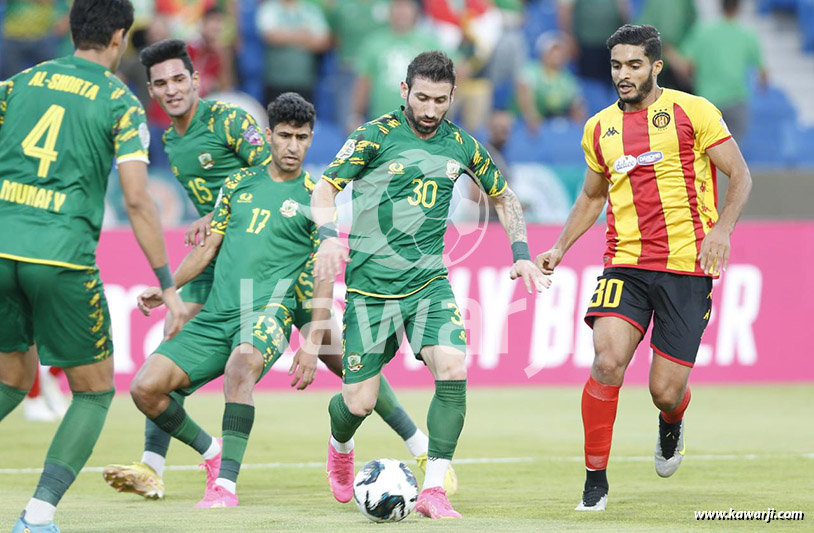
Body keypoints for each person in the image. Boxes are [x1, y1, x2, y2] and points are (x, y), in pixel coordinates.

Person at [312, 50, 549, 519]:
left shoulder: (462, 145)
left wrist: (520, 254)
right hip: (370, 291)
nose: (429, 109)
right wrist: (325, 238)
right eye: (421, 97)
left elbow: (505, 196)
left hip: (428, 285)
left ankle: (434, 489)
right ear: (404, 91)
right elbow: (325, 188)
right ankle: (339, 447)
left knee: (454, 367)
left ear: (453, 97)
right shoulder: (373, 136)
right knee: (357, 402)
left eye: (440, 100)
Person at [534, 24, 752, 512]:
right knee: (607, 360)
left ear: (656, 66)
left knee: (664, 391)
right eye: (616, 65)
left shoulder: (692, 111)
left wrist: (722, 231)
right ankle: (595, 480)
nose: (623, 74)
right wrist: (560, 247)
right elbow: (592, 196)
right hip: (625, 266)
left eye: (634, 65)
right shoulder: (598, 128)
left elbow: (740, 174)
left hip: (686, 269)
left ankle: (672, 420)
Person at [0, 1, 189, 531]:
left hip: (2, 249)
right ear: (120, 38)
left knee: (13, 380)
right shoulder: (119, 103)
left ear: (70, 30)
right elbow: (136, 201)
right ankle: (37, 517)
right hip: (59, 257)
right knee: (94, 389)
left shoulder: (17, 84)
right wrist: (168, 284)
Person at [673, 0, 767, 141]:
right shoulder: (747, 35)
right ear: (739, 7)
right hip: (737, 99)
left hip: (708, 102)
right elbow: (763, 75)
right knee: (733, 154)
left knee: (706, 152)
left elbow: (686, 66)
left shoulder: (702, 33)